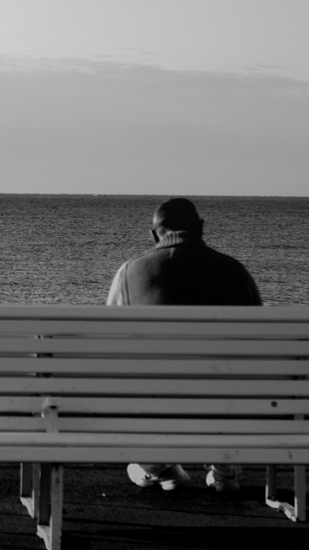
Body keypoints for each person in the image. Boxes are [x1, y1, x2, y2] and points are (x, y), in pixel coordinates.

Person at [106, 197, 261, 492]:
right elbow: (258, 348)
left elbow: (108, 347)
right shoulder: (235, 273)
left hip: (153, 410)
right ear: (200, 228)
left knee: (128, 387)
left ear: (154, 235)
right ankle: (224, 468)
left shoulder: (130, 273)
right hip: (226, 410)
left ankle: (159, 466)